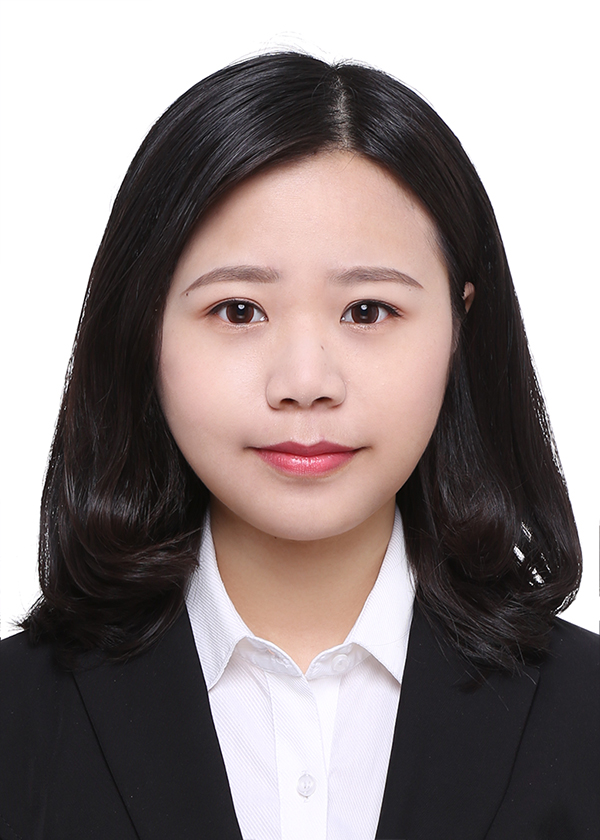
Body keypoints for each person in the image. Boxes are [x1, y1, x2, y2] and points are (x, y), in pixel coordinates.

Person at [0, 52, 597, 840]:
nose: (306, 382)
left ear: (461, 326)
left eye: (368, 311)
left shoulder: (585, 714)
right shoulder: (18, 720)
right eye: (239, 311)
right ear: (142, 329)